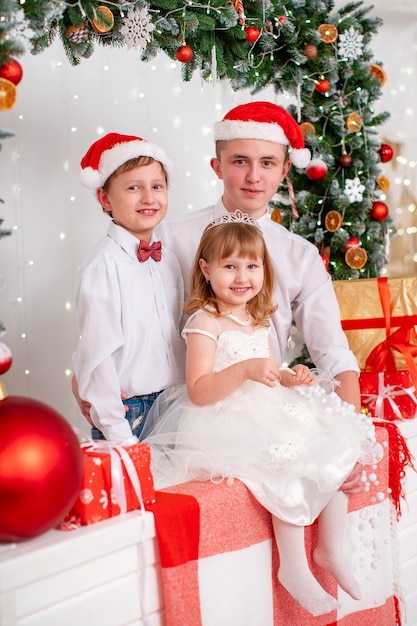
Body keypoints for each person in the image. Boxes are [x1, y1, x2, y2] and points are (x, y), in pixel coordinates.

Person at [142, 213, 382, 617]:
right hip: (222, 416)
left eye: (251, 266)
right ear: (206, 268)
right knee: (284, 462)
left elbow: (269, 370)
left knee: (335, 446)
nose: (242, 276)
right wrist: (244, 371)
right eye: (229, 266)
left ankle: (330, 549)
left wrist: (292, 377)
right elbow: (200, 390)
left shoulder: (257, 317)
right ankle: (293, 567)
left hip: (266, 405)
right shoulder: (204, 322)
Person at [156, 100, 364, 494]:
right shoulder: (173, 236)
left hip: (268, 416)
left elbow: (332, 350)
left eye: (268, 162)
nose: (253, 176)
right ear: (217, 166)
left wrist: (348, 437)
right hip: (192, 423)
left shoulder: (299, 254)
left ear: (285, 169)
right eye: (239, 161)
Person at [72, 132, 185, 442]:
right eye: (134, 187)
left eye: (157, 186)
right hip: (129, 411)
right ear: (105, 198)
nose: (149, 198)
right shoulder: (103, 266)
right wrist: (115, 426)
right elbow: (98, 353)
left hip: (175, 403)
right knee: (133, 489)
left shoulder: (169, 259)